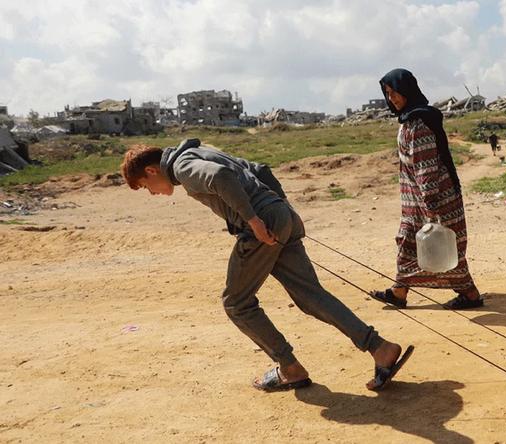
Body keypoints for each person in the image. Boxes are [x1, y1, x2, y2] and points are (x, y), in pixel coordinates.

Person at [120, 139, 413, 392]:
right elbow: (260, 170)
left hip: (262, 225)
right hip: (279, 215)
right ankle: (380, 348)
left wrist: (255, 220)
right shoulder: (200, 152)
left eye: (146, 187)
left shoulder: (184, 167)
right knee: (311, 296)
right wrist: (280, 210)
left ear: (151, 170)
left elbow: (221, 177)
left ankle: (289, 367)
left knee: (236, 303)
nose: (152, 192)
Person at [370, 68, 484, 310]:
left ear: (408, 90)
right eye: (388, 95)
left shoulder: (418, 123)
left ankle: (470, 294)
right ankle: (400, 290)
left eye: (396, 93)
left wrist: (431, 204)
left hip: (435, 200)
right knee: (409, 242)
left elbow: (426, 165)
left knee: (446, 247)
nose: (393, 99)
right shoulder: (409, 120)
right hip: (418, 203)